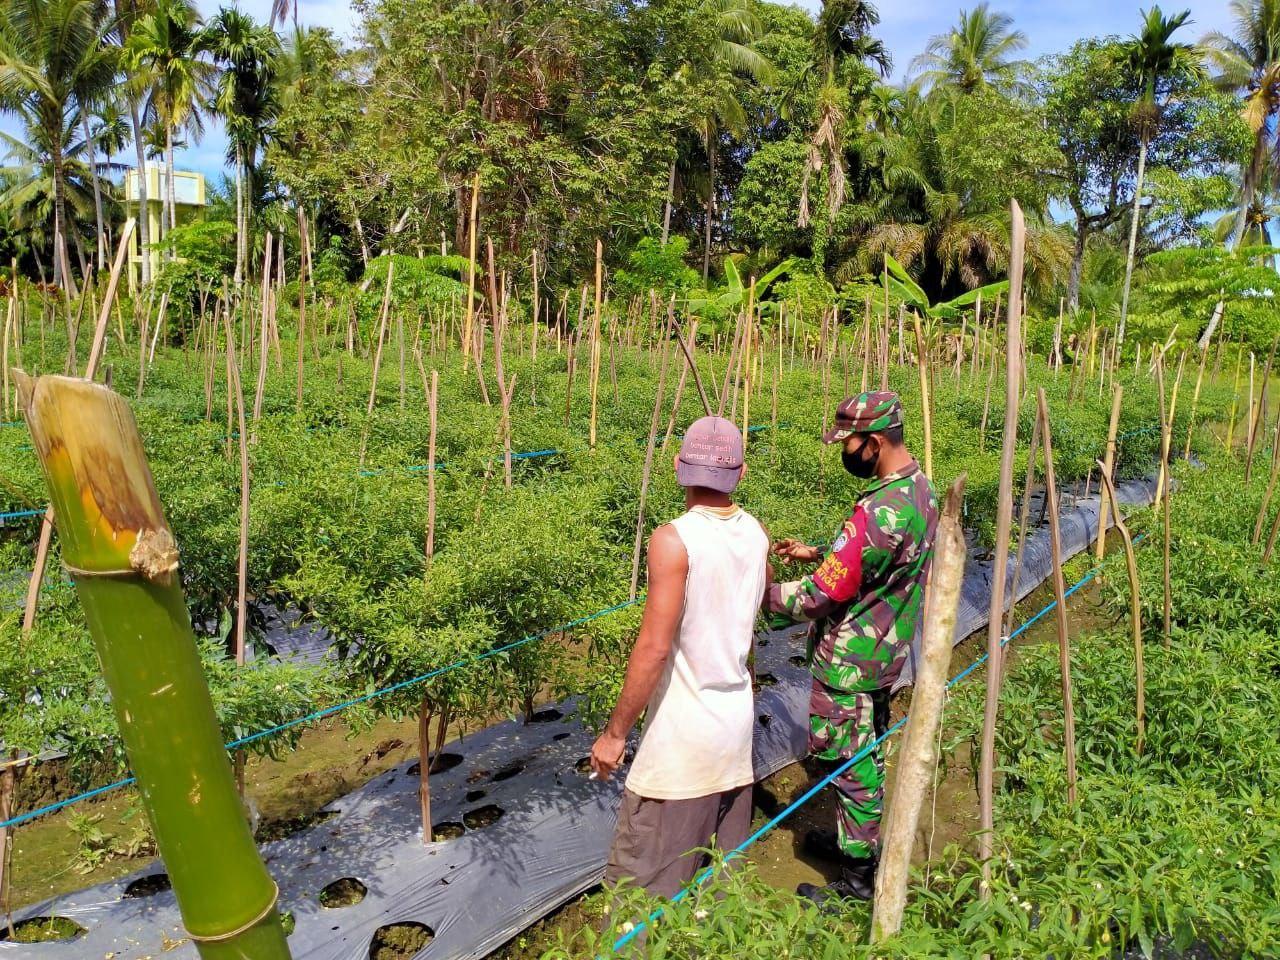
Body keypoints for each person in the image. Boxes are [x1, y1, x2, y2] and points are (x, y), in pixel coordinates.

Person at [764, 391, 938, 905]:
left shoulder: (879, 509)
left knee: (851, 766)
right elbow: (880, 559)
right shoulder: (918, 491)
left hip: (851, 666)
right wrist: (822, 552)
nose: (846, 452)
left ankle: (858, 880)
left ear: (875, 442)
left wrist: (759, 592)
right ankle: (849, 845)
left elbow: (820, 595)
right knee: (865, 755)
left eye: (850, 443)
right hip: (885, 653)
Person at [590, 415, 770, 899]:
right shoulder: (756, 533)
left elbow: (653, 647)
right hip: (734, 732)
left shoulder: (674, 540)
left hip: (681, 745)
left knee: (641, 896)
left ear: (677, 467)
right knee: (714, 887)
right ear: (741, 473)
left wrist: (614, 734)